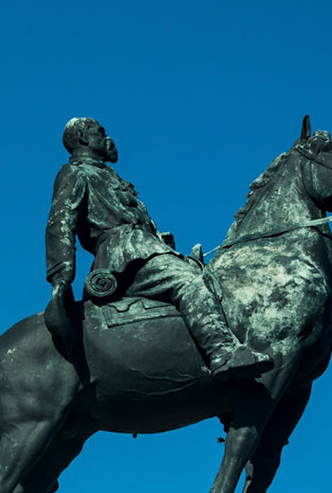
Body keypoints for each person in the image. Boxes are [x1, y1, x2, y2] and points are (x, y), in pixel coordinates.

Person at [44, 117, 272, 378]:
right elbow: (60, 223)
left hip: (144, 249)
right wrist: (61, 278)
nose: (108, 139)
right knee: (189, 282)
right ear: (84, 138)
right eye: (101, 132)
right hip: (125, 258)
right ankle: (222, 352)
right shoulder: (75, 172)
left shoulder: (107, 175)